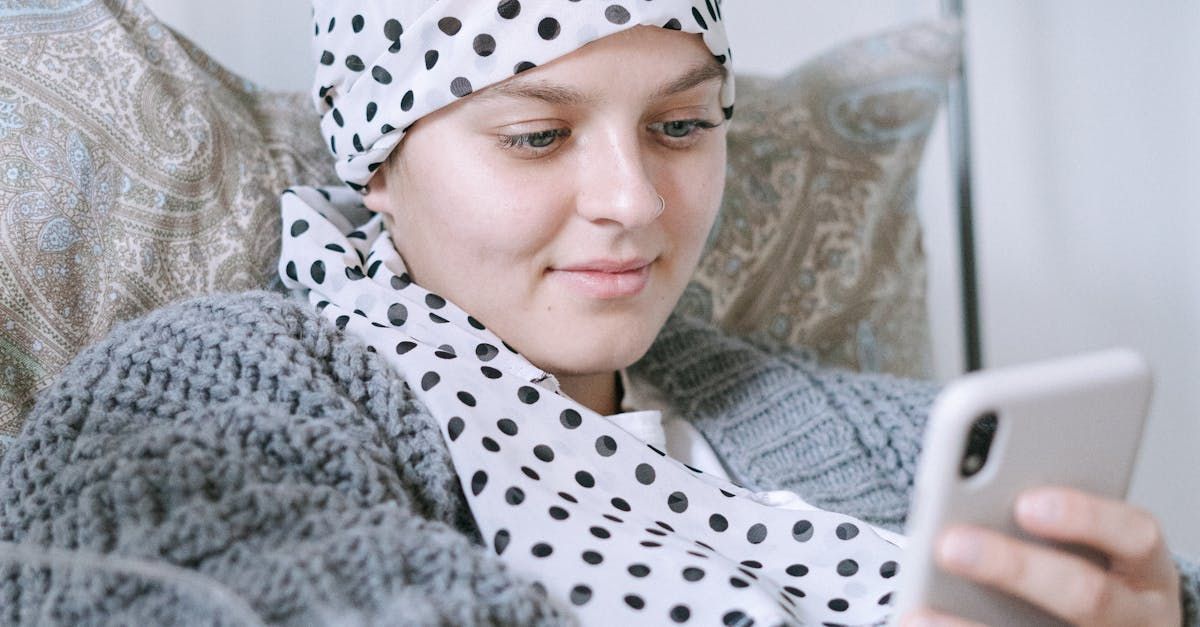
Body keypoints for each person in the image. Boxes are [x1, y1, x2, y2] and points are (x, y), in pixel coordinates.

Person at [1, 1, 1196, 625]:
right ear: (377, 159)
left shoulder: (853, 426)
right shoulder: (220, 383)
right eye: (537, 135)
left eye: (681, 127)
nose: (633, 203)